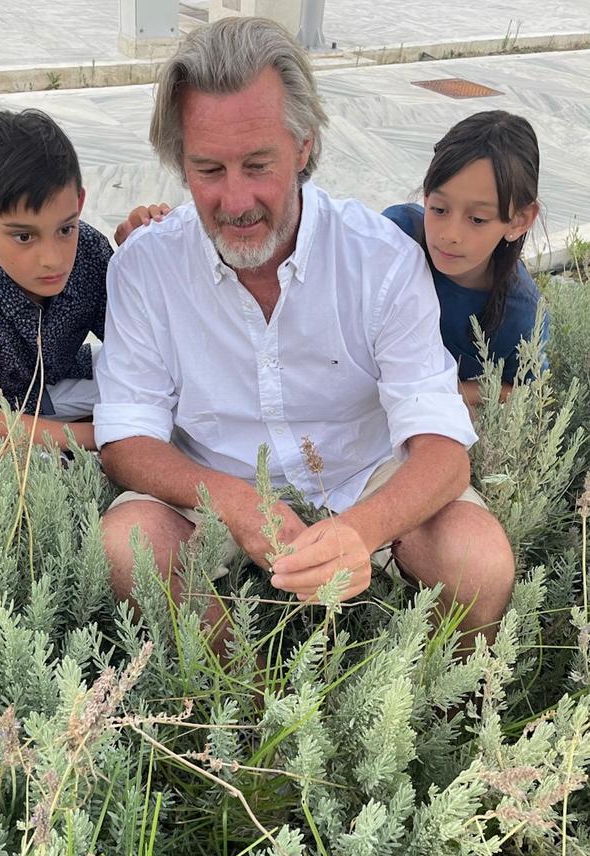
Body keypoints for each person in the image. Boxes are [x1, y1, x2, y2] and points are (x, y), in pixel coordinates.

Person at [94, 16, 515, 642]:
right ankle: (246, 706)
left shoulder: (381, 259)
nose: (235, 201)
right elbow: (128, 437)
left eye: (258, 164)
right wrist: (233, 502)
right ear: (178, 162)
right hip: (213, 488)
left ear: (305, 145)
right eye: (208, 170)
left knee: (478, 564)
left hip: (363, 477)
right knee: (128, 547)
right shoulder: (144, 267)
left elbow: (442, 449)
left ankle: (420, 720)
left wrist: (361, 531)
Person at [0, 109, 113, 451]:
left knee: (166, 385)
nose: (53, 258)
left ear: (79, 203)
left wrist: (147, 251)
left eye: (65, 229)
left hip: (55, 383)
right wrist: (103, 438)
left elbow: (142, 349)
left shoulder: (91, 250)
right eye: (24, 237)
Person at [383, 111, 547, 412]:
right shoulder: (395, 235)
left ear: (519, 220)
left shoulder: (521, 314)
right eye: (439, 209)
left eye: (477, 218)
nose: (449, 235)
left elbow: (529, 392)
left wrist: (448, 391)